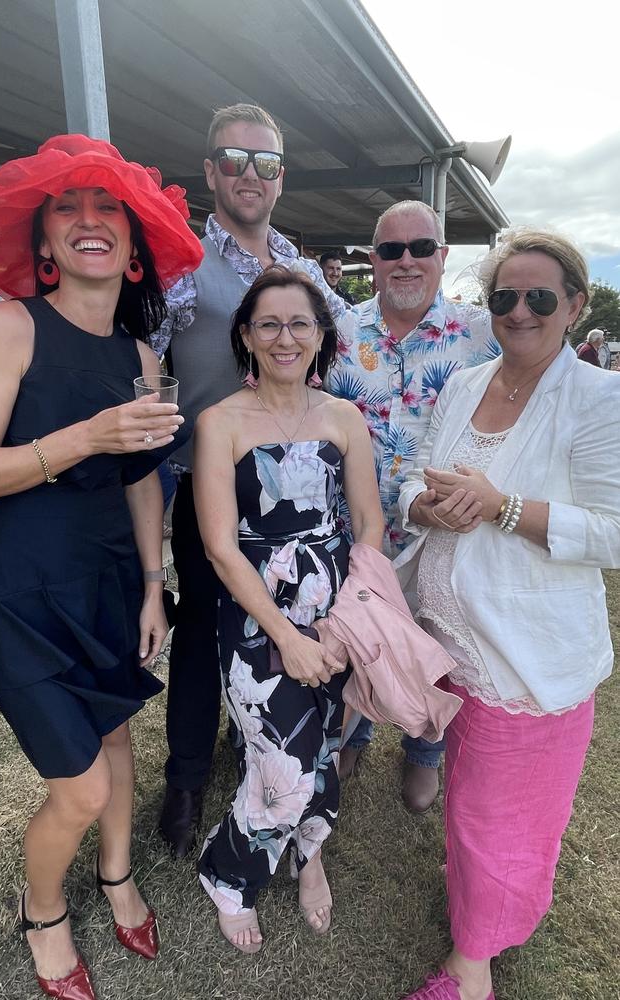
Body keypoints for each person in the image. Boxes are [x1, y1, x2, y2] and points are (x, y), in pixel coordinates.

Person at [0, 134, 203, 1000]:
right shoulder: (8, 325)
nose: (89, 220)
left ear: (136, 248)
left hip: (110, 581)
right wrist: (82, 439)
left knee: (115, 734)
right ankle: (43, 914)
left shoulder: (141, 362)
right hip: (14, 591)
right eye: (65, 207)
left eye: (109, 207)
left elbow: (144, 481)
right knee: (78, 786)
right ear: (42, 244)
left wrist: (153, 586)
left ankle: (116, 877)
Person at [394, 228, 620, 1000]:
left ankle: (472, 968)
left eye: (539, 297)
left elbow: (614, 531)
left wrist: (505, 507)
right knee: (475, 807)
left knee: (500, 819)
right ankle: (487, 912)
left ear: (575, 305)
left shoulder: (598, 398)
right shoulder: (465, 383)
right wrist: (421, 503)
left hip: (522, 656)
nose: (519, 311)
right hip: (448, 641)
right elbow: (409, 471)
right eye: (503, 298)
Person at [152, 103, 348, 858]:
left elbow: (335, 355)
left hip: (295, 487)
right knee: (203, 634)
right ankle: (187, 779)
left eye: (264, 163)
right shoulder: (178, 260)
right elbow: (142, 358)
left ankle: (264, 751)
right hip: (209, 481)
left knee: (282, 625)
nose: (248, 175)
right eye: (232, 160)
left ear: (280, 178)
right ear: (209, 172)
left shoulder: (297, 266)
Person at [193, 265, 383, 953]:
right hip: (256, 614)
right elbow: (219, 546)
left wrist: (346, 618)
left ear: (320, 334)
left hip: (336, 602)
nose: (284, 337)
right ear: (245, 335)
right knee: (281, 757)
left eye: (299, 322)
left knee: (325, 741)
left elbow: (366, 522)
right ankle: (228, 873)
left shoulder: (343, 417)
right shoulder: (220, 422)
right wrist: (289, 637)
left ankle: (311, 851)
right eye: (268, 323)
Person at [327, 200, 499, 809]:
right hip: (359, 527)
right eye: (390, 250)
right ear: (371, 260)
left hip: (442, 530)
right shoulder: (340, 332)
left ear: (443, 257)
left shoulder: (482, 334)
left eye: (420, 248)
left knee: (438, 641)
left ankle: (425, 749)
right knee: (361, 635)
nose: (406, 261)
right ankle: (357, 731)